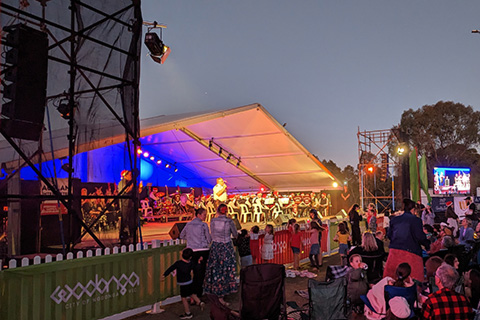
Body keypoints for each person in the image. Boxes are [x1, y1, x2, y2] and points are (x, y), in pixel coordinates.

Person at [384, 198, 430, 282]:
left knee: (390, 279)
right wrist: (428, 246)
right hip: (411, 253)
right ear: (413, 209)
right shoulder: (416, 220)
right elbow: (420, 237)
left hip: (394, 252)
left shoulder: (394, 219)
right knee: (414, 279)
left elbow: (389, 235)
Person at [203, 204, 238, 306]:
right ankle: (221, 295)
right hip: (226, 247)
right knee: (225, 269)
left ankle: (214, 291)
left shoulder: (213, 221)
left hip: (215, 246)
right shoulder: (229, 221)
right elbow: (235, 234)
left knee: (215, 269)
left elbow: (212, 234)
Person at [162, 248, 205, 319]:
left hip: (183, 283)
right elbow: (197, 268)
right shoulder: (191, 263)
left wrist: (164, 275)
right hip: (189, 282)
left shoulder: (178, 263)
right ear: (190, 257)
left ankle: (188, 313)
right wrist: (199, 262)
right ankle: (199, 302)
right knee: (192, 293)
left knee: (184, 298)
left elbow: (171, 268)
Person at [179, 208, 212, 297]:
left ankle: (193, 294)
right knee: (200, 274)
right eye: (204, 215)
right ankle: (198, 294)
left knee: (193, 272)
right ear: (199, 215)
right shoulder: (203, 225)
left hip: (192, 251)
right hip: (203, 250)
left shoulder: (188, 224)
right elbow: (209, 239)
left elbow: (181, 235)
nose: (205, 216)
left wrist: (190, 239)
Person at [118, 170, 136, 244]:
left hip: (129, 204)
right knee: (124, 220)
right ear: (125, 175)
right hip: (124, 204)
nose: (130, 176)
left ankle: (130, 235)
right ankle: (122, 236)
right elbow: (126, 191)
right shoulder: (122, 183)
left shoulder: (128, 183)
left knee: (130, 220)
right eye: (129, 175)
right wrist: (132, 186)